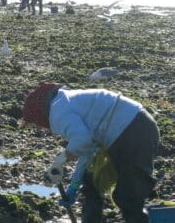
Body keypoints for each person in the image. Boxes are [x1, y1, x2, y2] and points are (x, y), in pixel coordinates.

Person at [22, 82, 159, 223]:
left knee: (128, 197)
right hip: (133, 129)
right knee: (91, 181)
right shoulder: (65, 102)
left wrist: (60, 161)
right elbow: (87, 150)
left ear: (38, 112)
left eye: (35, 123)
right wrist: (74, 185)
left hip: (133, 131)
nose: (40, 128)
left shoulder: (57, 112)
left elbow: (83, 139)